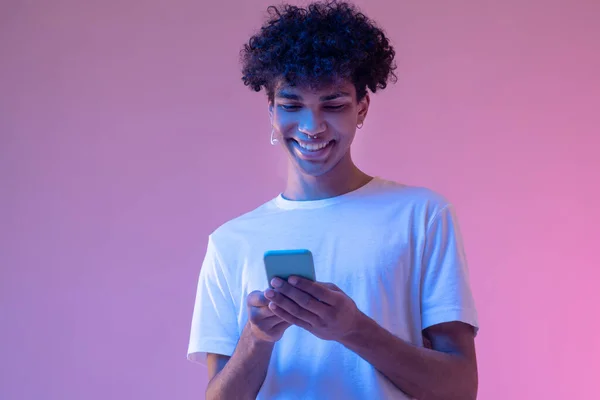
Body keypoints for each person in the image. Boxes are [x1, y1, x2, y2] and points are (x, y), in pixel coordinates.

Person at [187, 1, 479, 399]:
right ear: (271, 110)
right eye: (292, 106)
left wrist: (354, 329)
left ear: (362, 106)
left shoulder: (422, 216)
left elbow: (459, 390)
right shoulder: (230, 242)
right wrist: (257, 338)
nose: (312, 127)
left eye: (334, 104)